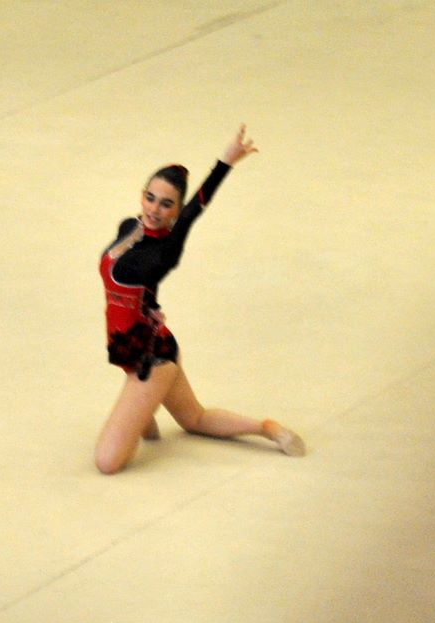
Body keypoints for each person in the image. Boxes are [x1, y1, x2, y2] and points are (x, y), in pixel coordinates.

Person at [96, 125, 305, 474]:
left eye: (166, 204)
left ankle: (144, 408)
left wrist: (226, 162)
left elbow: (196, 208)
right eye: (151, 198)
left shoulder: (166, 249)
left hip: (152, 358)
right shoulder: (128, 226)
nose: (154, 209)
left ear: (176, 210)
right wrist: (151, 308)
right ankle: (266, 428)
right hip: (131, 348)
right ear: (142, 195)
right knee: (194, 418)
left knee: (106, 462)